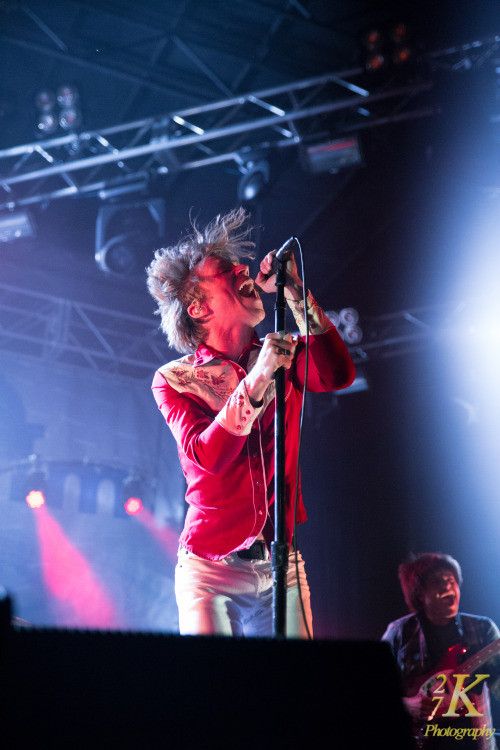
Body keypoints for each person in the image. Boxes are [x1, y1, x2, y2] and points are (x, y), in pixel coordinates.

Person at [146, 207, 355, 638]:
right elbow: (208, 457)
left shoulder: (283, 352)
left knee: (293, 695)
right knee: (213, 693)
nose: (243, 267)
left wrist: (296, 294)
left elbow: (338, 375)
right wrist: (260, 375)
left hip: (282, 563)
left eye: (238, 264)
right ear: (198, 306)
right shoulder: (175, 378)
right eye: (225, 271)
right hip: (210, 569)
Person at [382, 552, 500, 749]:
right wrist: (407, 705)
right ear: (419, 593)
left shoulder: (483, 628)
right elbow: (372, 689)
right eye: (438, 581)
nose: (447, 586)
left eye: (451, 581)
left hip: (473, 741)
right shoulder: (399, 632)